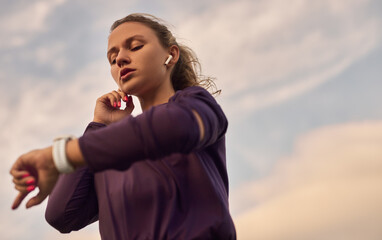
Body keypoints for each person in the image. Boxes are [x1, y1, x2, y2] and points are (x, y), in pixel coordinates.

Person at [10, 13, 236, 239]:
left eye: (135, 46)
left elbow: (176, 126)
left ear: (171, 54)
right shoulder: (107, 152)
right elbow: (61, 215)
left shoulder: (195, 103)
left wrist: (61, 156)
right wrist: (98, 126)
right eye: (112, 57)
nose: (120, 59)